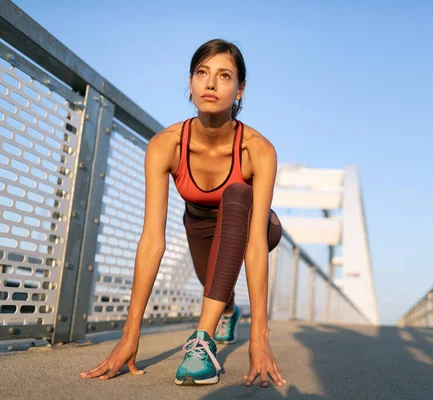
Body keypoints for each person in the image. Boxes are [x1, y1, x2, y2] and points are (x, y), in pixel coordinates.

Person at [79, 39, 287, 389]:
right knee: (215, 283)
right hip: (200, 226)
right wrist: (131, 334)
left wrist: (260, 336)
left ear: (239, 90)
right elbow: (152, 240)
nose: (210, 84)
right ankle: (228, 311)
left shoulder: (259, 150)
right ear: (190, 82)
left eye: (224, 76)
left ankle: (201, 343)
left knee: (237, 194)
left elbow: (251, 249)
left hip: (256, 226)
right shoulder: (166, 144)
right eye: (202, 73)